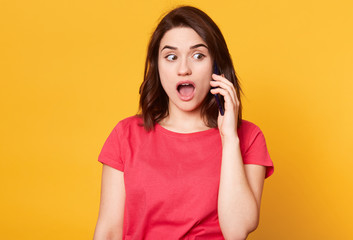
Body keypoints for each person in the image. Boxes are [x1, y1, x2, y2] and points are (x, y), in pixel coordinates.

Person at [94, 5, 274, 240]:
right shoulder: (125, 135)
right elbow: (109, 231)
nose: (184, 69)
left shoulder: (248, 137)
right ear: (157, 67)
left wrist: (229, 137)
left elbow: (236, 231)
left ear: (216, 66)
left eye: (198, 55)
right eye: (171, 57)